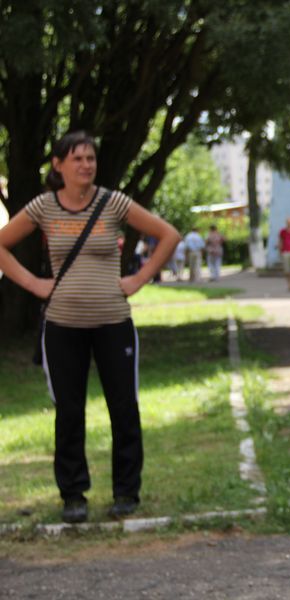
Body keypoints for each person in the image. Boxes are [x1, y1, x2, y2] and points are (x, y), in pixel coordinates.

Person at [0, 131, 179, 523]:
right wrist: (33, 283)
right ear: (58, 165)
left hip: (114, 323)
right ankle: (73, 496)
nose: (86, 165)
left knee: (124, 409)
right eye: (77, 158)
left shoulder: (112, 202)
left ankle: (126, 493)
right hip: (62, 326)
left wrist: (139, 279)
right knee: (69, 413)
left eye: (91, 158)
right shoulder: (44, 206)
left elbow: (169, 235)